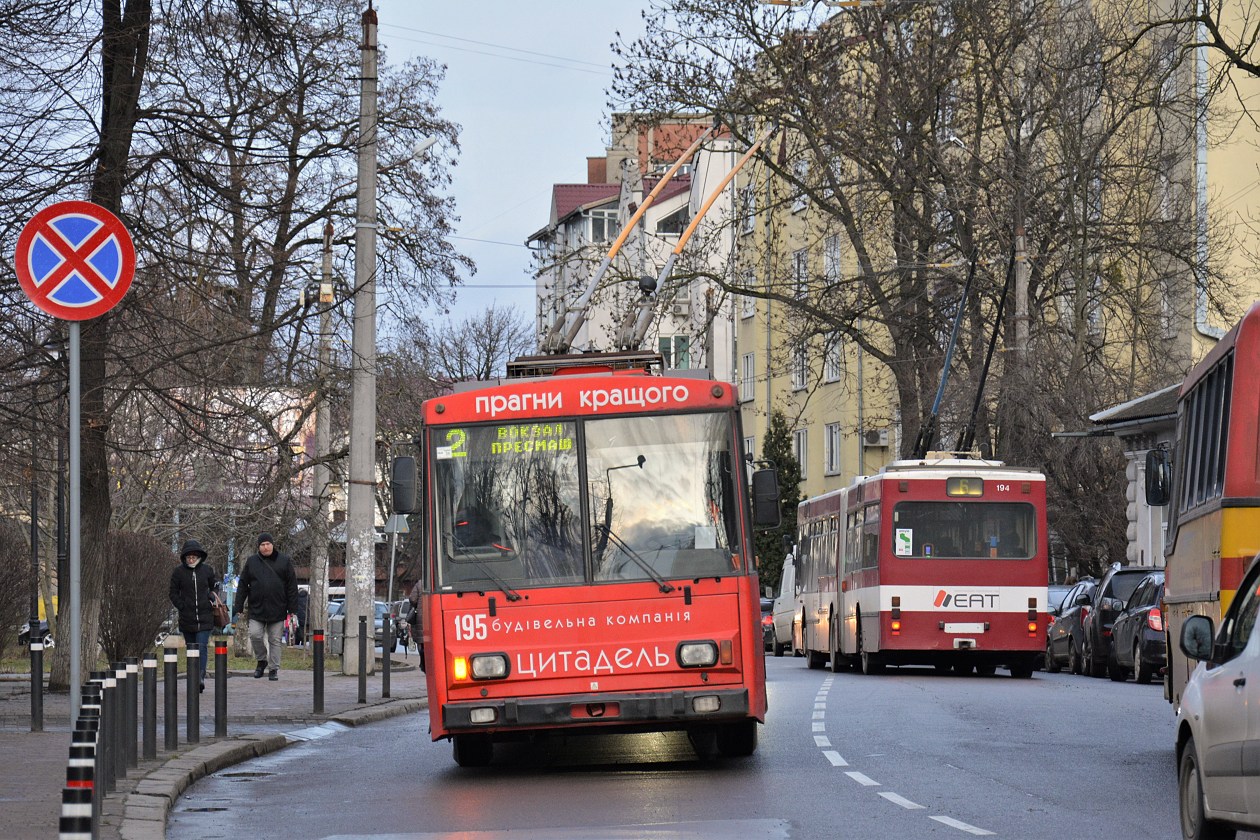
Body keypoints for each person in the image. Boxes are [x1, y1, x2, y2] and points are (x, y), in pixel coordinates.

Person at [232, 532, 299, 681]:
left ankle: (273, 668)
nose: (265, 547)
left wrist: (292, 609)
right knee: (255, 635)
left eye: (268, 544)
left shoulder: (284, 561)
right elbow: (243, 584)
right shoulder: (252, 562)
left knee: (275, 640)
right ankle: (262, 660)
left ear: (273, 544)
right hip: (257, 608)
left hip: (278, 608)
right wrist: (239, 606)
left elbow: (292, 586)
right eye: (262, 544)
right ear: (259, 547)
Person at [168, 538, 220, 693]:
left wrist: (212, 596)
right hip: (187, 618)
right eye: (188, 557)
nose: (191, 559)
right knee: (191, 649)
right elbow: (173, 593)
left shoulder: (207, 570)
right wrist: (182, 606)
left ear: (199, 557)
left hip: (205, 617)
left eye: (193, 557)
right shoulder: (178, 572)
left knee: (201, 647)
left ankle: (200, 676)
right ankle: (193, 676)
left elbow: (215, 586)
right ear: (184, 557)